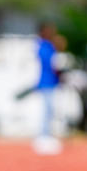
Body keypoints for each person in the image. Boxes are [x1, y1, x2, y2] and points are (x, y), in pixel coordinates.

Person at [32, 22, 62, 155]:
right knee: (46, 110)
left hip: (52, 83)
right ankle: (43, 137)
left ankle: (47, 135)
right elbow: (51, 64)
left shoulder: (49, 46)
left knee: (50, 110)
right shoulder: (43, 46)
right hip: (46, 82)